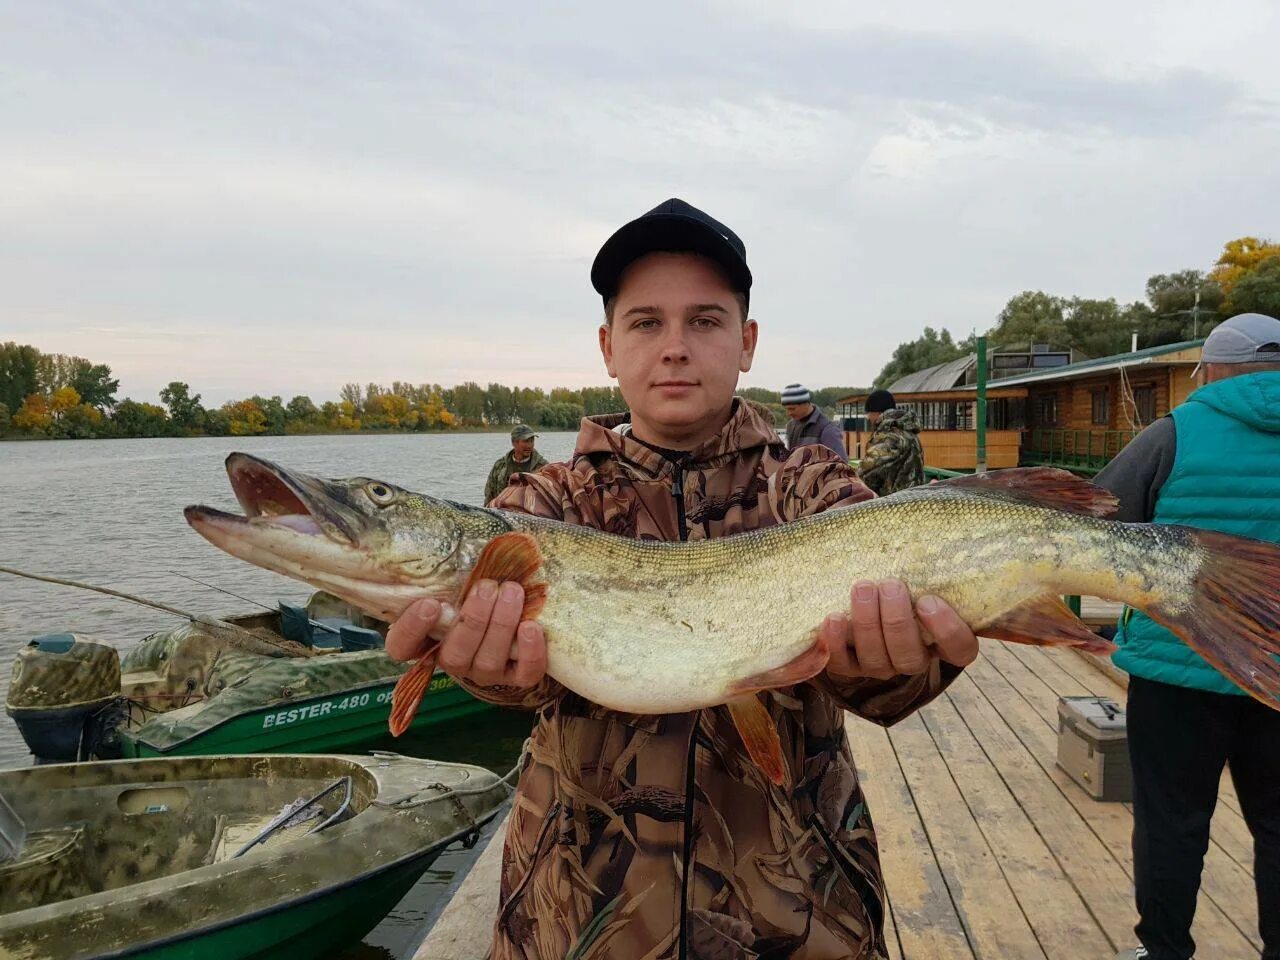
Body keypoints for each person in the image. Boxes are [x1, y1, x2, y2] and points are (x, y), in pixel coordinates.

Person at [387, 197, 978, 960]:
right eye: (645, 323)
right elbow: (528, 684)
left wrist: (898, 671)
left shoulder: (812, 489)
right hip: (579, 922)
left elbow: (885, 689)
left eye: (704, 320)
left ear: (746, 341)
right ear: (607, 346)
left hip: (797, 922)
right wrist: (489, 674)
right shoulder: (543, 505)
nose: (674, 347)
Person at [1095, 312, 1280, 960]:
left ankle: (1164, 949)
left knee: (1172, 825)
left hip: (1178, 668)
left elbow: (1095, 521)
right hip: (1279, 678)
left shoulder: (1174, 433)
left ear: (1217, 370)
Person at [856, 389, 925, 496]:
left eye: (869, 413)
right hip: (912, 499)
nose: (868, 417)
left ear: (877, 412)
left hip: (895, 505)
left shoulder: (890, 436)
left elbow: (867, 473)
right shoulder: (908, 431)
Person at [483, 424, 548, 505]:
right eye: (526, 441)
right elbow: (489, 494)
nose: (529, 445)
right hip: (502, 512)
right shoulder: (500, 465)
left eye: (532, 441)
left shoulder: (543, 466)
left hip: (531, 514)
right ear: (514, 442)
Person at [781, 382, 847, 456]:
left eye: (792, 409)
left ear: (805, 403)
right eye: (786, 409)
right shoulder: (791, 425)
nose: (788, 413)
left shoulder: (827, 428)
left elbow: (841, 463)